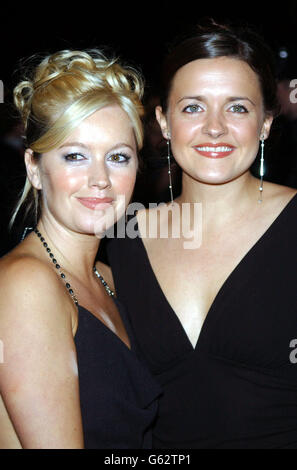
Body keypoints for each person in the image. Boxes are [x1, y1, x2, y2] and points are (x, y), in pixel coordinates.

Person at [104, 20, 297, 448]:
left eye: (237, 107)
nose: (214, 127)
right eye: (192, 107)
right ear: (163, 121)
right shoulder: (119, 238)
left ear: (265, 122)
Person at [0, 49, 160, 449]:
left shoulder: (109, 278)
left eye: (118, 157)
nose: (100, 179)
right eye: (75, 156)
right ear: (34, 168)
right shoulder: (25, 285)